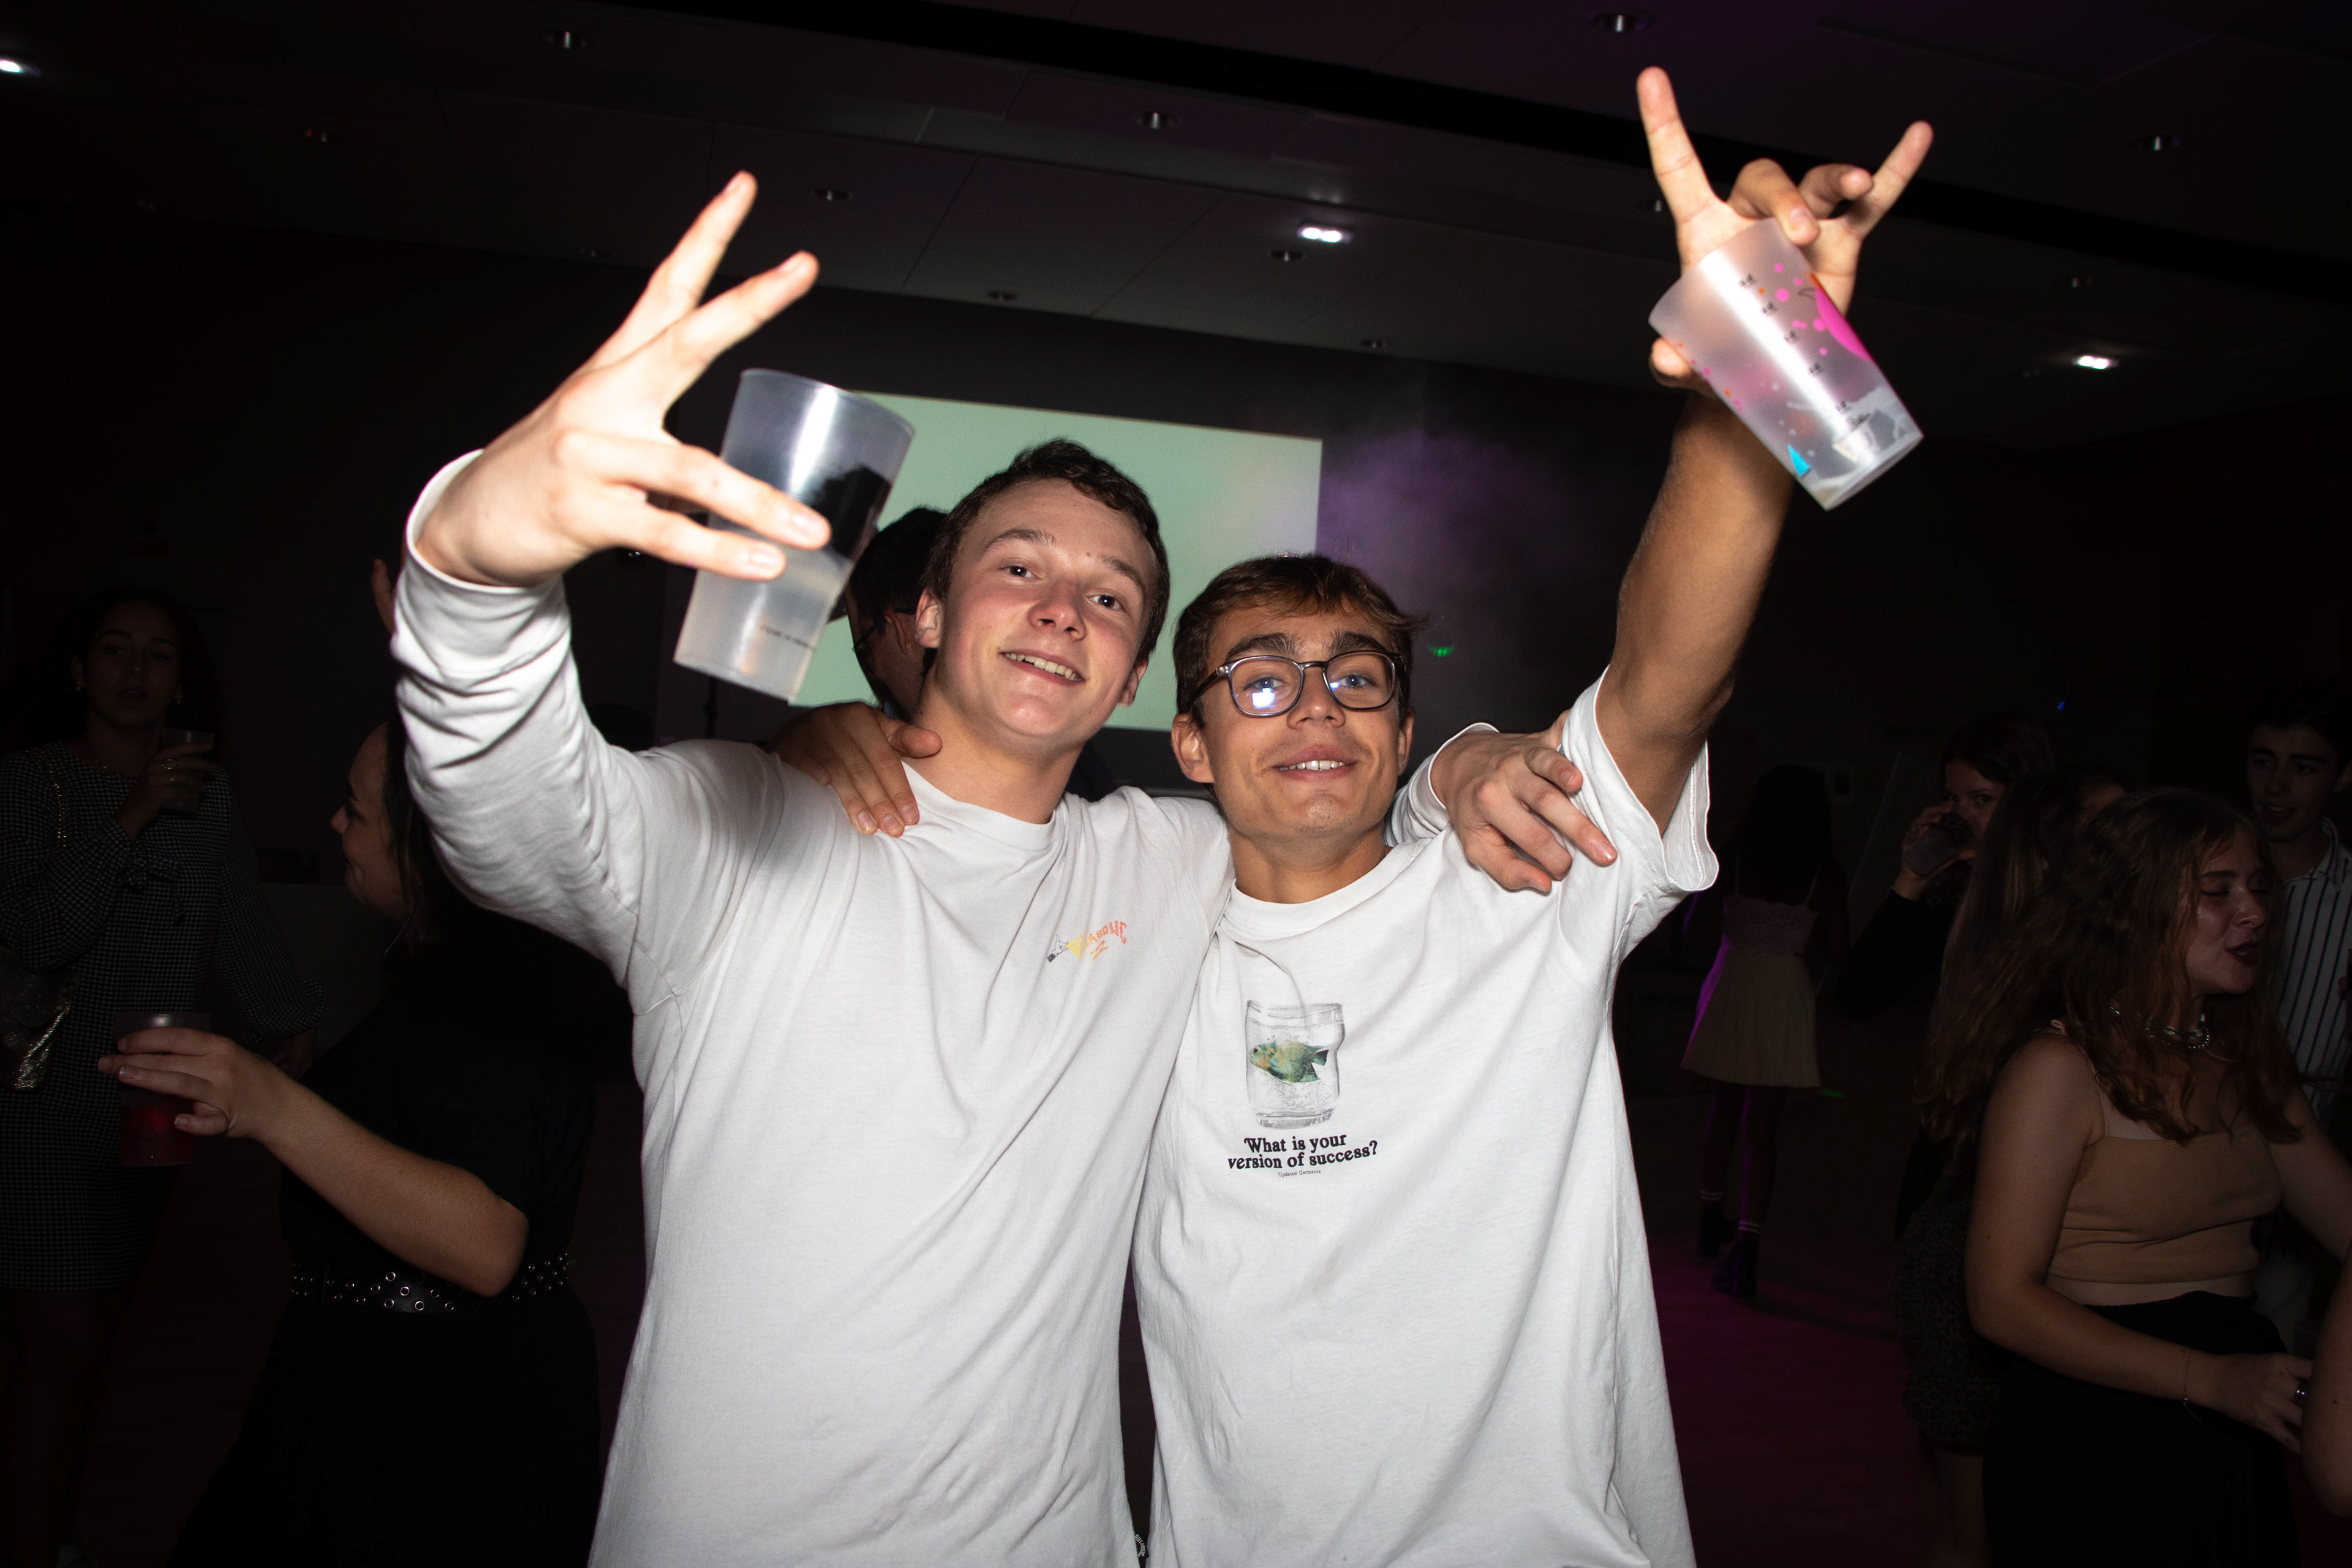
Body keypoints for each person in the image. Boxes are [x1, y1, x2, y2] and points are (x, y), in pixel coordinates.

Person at [386, 169, 1611, 1564]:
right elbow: (513, 815)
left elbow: (1332, 806)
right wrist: (473, 572)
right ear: (924, 612)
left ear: (1137, 678)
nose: (1062, 609)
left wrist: (1458, 760)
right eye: (1018, 567)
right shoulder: (739, 829)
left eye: (1109, 594)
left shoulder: (1163, 856)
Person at [1123, 68, 1928, 1566]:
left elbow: (1670, 679)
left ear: (1403, 731)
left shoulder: (1516, 870)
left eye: (1357, 677)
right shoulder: (1118, 927)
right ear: (1188, 740)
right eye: (1262, 678)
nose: (1315, 704)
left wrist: (1754, 358)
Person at [100, 717, 602, 1566]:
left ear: (427, 847)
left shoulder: (485, 986)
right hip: (413, 1390)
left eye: (356, 810)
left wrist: (270, 1106)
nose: (336, 823)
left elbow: (483, 1242)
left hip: (429, 1419)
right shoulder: (471, 967)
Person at [0, 589, 320, 1568]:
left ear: (183, 682)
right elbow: (40, 933)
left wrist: (290, 1026)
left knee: (99, 1344)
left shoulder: (207, 799)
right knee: (59, 1348)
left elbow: (237, 933)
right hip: (42, 1109)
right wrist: (133, 812)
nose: (137, 671)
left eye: (160, 655)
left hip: (151, 1107)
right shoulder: (30, 785)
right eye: (115, 649)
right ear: (77, 670)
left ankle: (52, 1533)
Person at [1953, 788, 2352, 1566]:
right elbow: (1999, 1301)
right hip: (2096, 1423)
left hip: (2231, 1413)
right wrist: (2210, 1379)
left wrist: (2230, 1387)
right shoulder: (2060, 1069)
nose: (2255, 913)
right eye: (2219, 891)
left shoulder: (2247, 1063)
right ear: (2132, 910)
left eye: (2259, 887)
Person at [1900, 766, 2119, 1568]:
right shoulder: (2040, 978)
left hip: (1981, 1247)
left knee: (1983, 1519)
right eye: (2113, 831)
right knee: (1975, 1533)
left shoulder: (2032, 953)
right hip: (1973, 1260)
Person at [1683, 764, 1848, 1298]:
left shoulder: (1735, 857)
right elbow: (1839, 948)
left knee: (1722, 1112)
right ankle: (1747, 1246)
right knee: (1762, 1129)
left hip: (1734, 979)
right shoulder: (1824, 872)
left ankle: (1710, 1219)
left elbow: (1695, 932)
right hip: (1784, 990)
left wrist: (1741, 925)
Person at [2242, 682, 2351, 1349]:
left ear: (2343, 776)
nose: (2276, 786)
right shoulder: (2189, 874)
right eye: (2263, 761)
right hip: (2183, 1167)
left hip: (2298, 1195)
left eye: (2303, 767)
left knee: (2273, 1355)